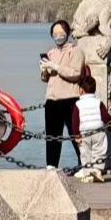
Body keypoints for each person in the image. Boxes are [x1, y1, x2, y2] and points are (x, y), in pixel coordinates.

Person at [40, 19, 85, 170]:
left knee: (75, 135)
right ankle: (51, 166)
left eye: (61, 33)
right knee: (52, 137)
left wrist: (56, 66)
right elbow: (44, 79)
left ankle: (85, 164)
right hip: (52, 100)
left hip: (70, 99)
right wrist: (44, 70)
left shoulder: (75, 51)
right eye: (55, 33)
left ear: (68, 34)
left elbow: (75, 73)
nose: (58, 36)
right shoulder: (51, 53)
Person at [72, 74, 111, 183]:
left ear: (81, 90)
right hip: (98, 131)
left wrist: (76, 134)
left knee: (85, 154)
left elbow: (75, 121)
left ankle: (87, 173)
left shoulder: (78, 104)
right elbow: (106, 117)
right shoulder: (98, 102)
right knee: (99, 152)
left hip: (84, 132)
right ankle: (97, 171)